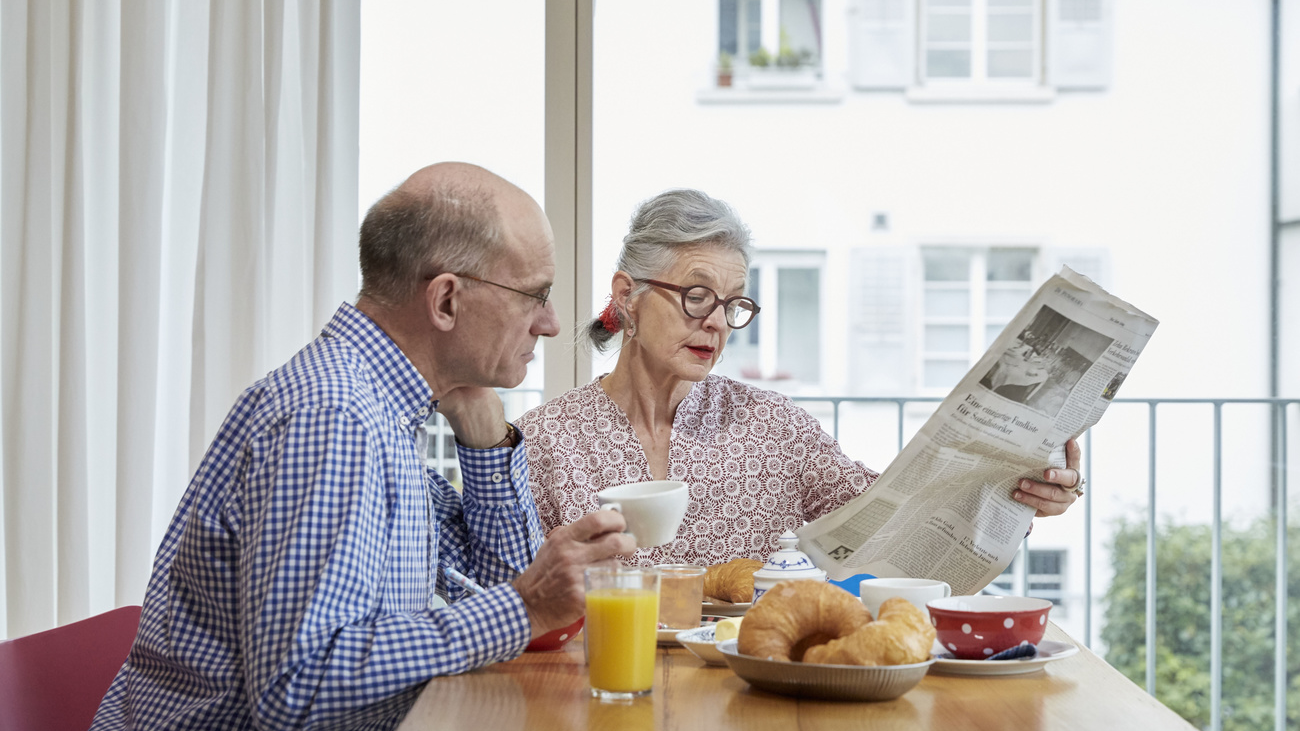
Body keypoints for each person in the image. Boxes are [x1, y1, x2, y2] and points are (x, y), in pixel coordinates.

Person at [91, 163, 634, 730]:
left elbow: (506, 593)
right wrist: (523, 606)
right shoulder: (335, 420)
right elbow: (294, 692)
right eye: (535, 295)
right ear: (446, 301)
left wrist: (487, 443)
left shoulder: (383, 410)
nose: (549, 324)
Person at [517, 189, 1083, 568]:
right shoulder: (542, 442)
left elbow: (895, 522)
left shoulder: (777, 429)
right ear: (627, 295)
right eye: (696, 295)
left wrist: (1013, 488)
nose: (716, 320)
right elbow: (517, 607)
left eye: (732, 303)